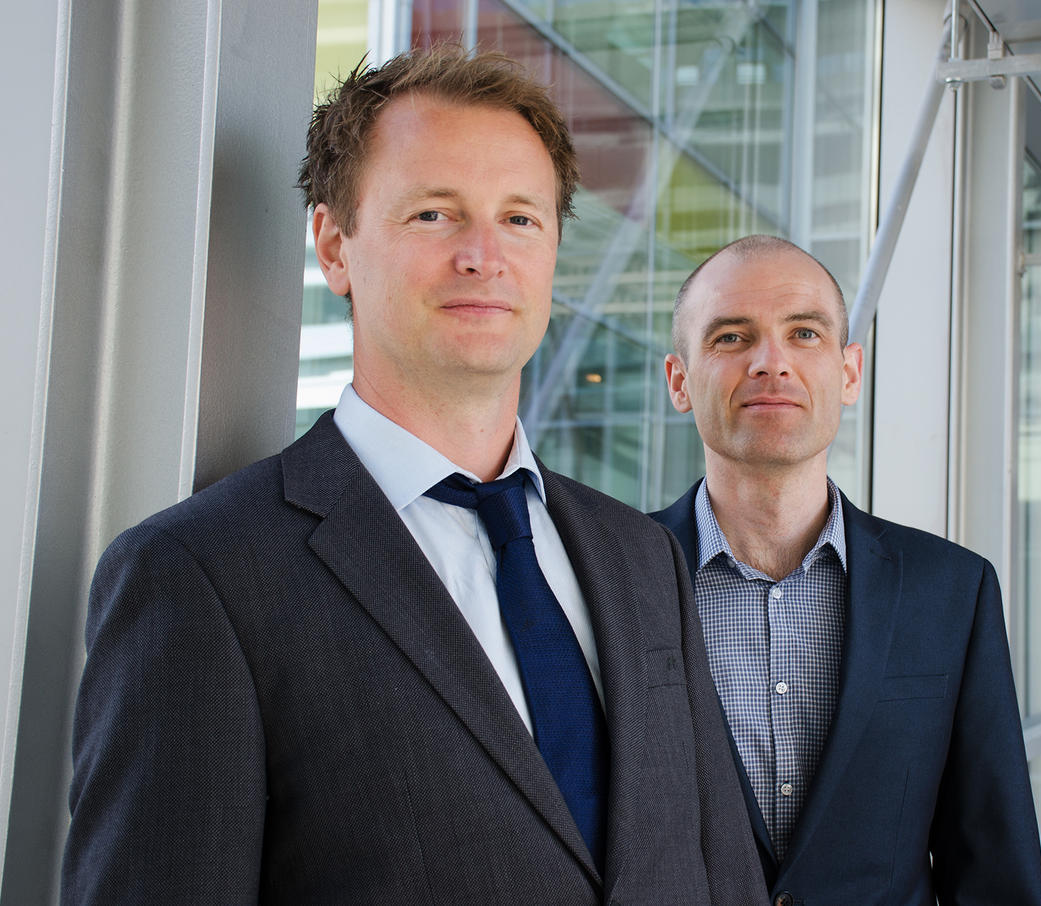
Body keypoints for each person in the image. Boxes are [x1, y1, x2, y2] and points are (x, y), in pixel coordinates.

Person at [61, 45, 764, 905]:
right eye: (434, 214)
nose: (484, 255)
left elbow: (723, 874)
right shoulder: (201, 576)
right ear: (335, 245)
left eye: (520, 218)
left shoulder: (641, 555)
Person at [651, 234, 1041, 905]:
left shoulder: (951, 591)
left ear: (850, 373)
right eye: (731, 337)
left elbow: (994, 863)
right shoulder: (608, 578)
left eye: (803, 333)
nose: (770, 362)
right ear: (680, 381)